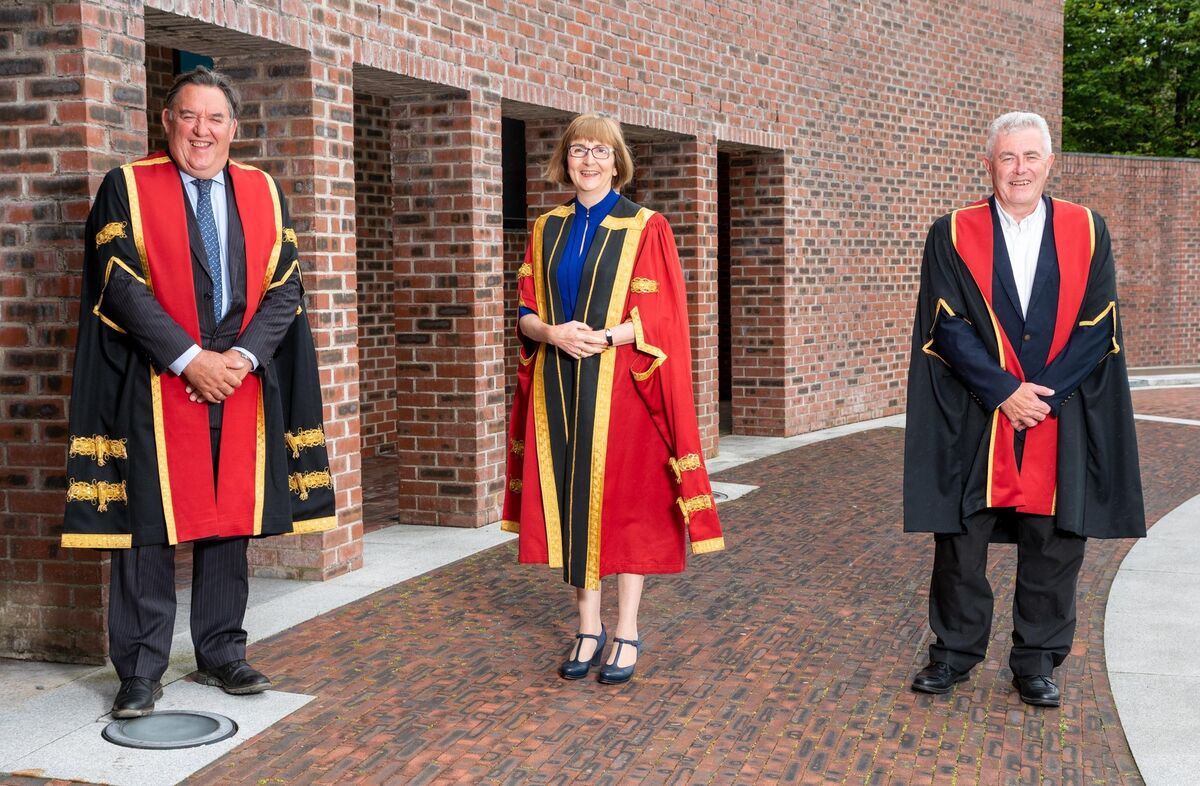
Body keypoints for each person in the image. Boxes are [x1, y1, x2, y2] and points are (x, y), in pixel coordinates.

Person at [61, 66, 336, 718]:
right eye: (189, 116)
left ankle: (222, 651)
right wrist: (189, 360)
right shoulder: (127, 186)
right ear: (167, 122)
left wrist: (237, 358)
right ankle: (140, 670)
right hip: (155, 381)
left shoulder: (263, 192)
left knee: (227, 521)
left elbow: (285, 286)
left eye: (215, 119)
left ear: (234, 128)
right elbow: (119, 282)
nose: (202, 131)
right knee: (148, 528)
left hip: (240, 382)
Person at [904, 111, 1145, 707]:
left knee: (1054, 540)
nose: (1019, 169)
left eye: (1030, 157)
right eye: (1008, 158)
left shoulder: (1087, 229)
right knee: (961, 541)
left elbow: (1099, 324)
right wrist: (1004, 392)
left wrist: (1043, 396)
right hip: (975, 412)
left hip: (1059, 412)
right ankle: (954, 653)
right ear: (989, 164)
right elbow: (946, 324)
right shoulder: (953, 232)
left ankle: (1037, 661)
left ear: (1049, 162)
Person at [501, 114, 725, 685]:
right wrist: (554, 334)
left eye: (600, 150)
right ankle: (587, 626)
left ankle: (625, 630)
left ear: (617, 159)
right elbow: (525, 311)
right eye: (578, 150)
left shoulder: (645, 226)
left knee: (624, 508)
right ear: (565, 160)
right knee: (576, 503)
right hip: (560, 383)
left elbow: (660, 316)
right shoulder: (545, 227)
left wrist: (598, 337)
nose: (589, 161)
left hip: (623, 389)